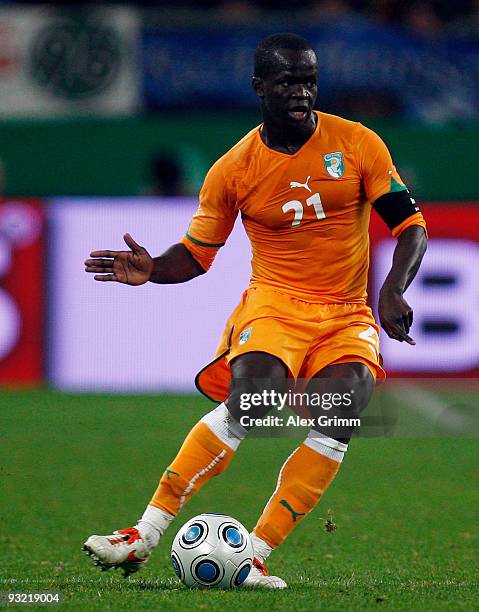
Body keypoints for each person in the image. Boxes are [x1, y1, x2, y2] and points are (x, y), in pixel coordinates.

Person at [83, 33, 427, 588]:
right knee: (254, 404)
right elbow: (196, 255)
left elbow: (410, 226)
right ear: (259, 87)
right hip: (276, 305)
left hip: (345, 312)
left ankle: (256, 555)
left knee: (341, 413)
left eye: (309, 79)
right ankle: (142, 534)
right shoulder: (235, 169)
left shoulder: (358, 142)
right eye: (288, 80)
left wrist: (392, 288)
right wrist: (153, 270)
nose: (301, 91)